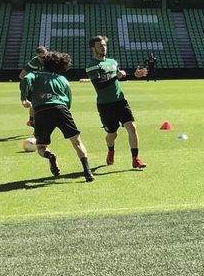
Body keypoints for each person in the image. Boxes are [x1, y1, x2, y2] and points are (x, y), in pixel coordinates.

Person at [20, 51, 95, 182]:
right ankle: (88, 172)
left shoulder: (36, 74)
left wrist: (24, 99)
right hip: (61, 109)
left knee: (41, 147)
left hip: (42, 111)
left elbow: (25, 79)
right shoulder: (63, 80)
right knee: (77, 142)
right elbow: (69, 100)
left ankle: (50, 156)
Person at [86, 36, 148, 169]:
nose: (103, 48)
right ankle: (111, 150)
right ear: (93, 48)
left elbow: (120, 78)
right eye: (100, 46)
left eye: (104, 45)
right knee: (112, 134)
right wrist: (116, 76)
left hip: (120, 101)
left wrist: (134, 76)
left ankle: (135, 159)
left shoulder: (112, 62)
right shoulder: (92, 66)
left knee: (132, 127)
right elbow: (99, 85)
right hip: (105, 105)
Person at [19, 46, 48, 127]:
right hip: (32, 87)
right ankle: (34, 122)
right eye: (41, 57)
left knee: (40, 104)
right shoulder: (33, 62)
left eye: (45, 56)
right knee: (36, 104)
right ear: (37, 55)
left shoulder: (49, 60)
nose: (43, 58)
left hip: (43, 86)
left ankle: (32, 121)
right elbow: (22, 76)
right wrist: (32, 85)